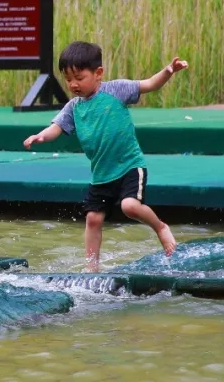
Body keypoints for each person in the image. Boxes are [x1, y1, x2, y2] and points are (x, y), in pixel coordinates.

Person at [23, 42, 184, 272]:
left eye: (79, 77)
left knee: (130, 206)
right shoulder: (73, 107)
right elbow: (56, 127)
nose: (73, 84)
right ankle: (92, 269)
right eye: (68, 79)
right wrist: (40, 136)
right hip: (101, 174)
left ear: (98, 74)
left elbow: (149, 85)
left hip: (129, 165)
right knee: (93, 219)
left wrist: (168, 71)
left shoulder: (116, 90)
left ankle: (160, 227)